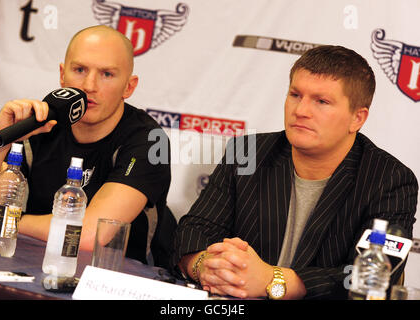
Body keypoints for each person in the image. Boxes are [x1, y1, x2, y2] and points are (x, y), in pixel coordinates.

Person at [171, 45, 418, 299]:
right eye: (295, 95)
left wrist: (272, 280)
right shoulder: (247, 152)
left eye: (321, 101)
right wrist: (205, 266)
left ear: (357, 118)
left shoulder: (390, 180)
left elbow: (371, 277)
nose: (300, 111)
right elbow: (194, 230)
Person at [0, 25, 174, 268]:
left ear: (129, 86)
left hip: (115, 280)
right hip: (30, 264)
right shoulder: (39, 124)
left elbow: (88, 235)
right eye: (80, 69)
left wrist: (7, 221)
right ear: (63, 75)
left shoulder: (149, 140)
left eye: (107, 74)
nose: (89, 85)